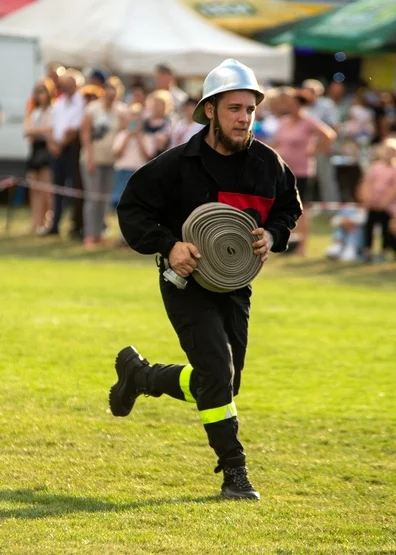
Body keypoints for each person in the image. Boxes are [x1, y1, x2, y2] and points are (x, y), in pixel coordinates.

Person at [109, 59, 302, 501]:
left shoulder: (268, 163)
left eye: (250, 109)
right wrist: (168, 245)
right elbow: (133, 208)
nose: (244, 117)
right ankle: (235, 472)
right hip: (185, 282)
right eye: (235, 108)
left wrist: (273, 234)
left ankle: (142, 377)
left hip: (236, 285)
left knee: (223, 383)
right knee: (216, 371)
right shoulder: (177, 165)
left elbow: (289, 208)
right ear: (210, 109)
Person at [273, 89, 336, 255]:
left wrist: (314, 150)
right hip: (284, 170)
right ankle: (287, 243)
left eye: (293, 104)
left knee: (302, 209)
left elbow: (329, 135)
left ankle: (302, 246)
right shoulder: (284, 122)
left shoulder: (308, 121)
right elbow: (277, 142)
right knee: (283, 206)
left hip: (302, 172)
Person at [80, 81, 126, 247]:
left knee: (104, 199)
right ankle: (90, 234)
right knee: (92, 198)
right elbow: (85, 133)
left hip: (112, 161)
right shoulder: (92, 108)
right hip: (93, 159)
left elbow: (125, 132)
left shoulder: (121, 110)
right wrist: (90, 158)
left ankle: (99, 233)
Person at [357, 139, 396, 262]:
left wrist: (384, 202)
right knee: (369, 227)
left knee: (385, 228)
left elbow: (393, 188)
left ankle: (383, 251)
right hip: (373, 203)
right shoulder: (375, 167)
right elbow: (367, 182)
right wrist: (367, 198)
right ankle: (368, 250)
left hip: (387, 206)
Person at [24, 81, 54, 234]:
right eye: (37, 91)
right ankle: (35, 221)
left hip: (46, 151)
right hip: (34, 151)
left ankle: (46, 220)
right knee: (33, 189)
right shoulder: (34, 112)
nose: (40, 95)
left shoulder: (53, 111)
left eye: (43, 91)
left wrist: (35, 132)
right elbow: (27, 133)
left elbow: (50, 130)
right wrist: (37, 132)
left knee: (45, 189)